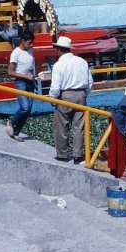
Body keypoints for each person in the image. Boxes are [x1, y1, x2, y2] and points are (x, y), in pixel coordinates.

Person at [49, 36, 93, 164]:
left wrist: (53, 99)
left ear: (58, 50)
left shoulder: (58, 65)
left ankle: (62, 154)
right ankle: (78, 156)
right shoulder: (81, 61)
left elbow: (55, 86)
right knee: (78, 127)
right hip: (80, 94)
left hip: (65, 95)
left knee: (61, 126)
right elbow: (90, 82)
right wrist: (84, 94)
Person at [7, 31, 36, 142]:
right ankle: (12, 122)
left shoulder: (30, 50)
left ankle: (16, 132)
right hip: (21, 82)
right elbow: (10, 72)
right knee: (24, 107)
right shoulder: (16, 53)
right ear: (23, 41)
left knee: (28, 110)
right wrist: (25, 76)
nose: (31, 45)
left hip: (30, 81)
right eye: (29, 43)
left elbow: (30, 66)